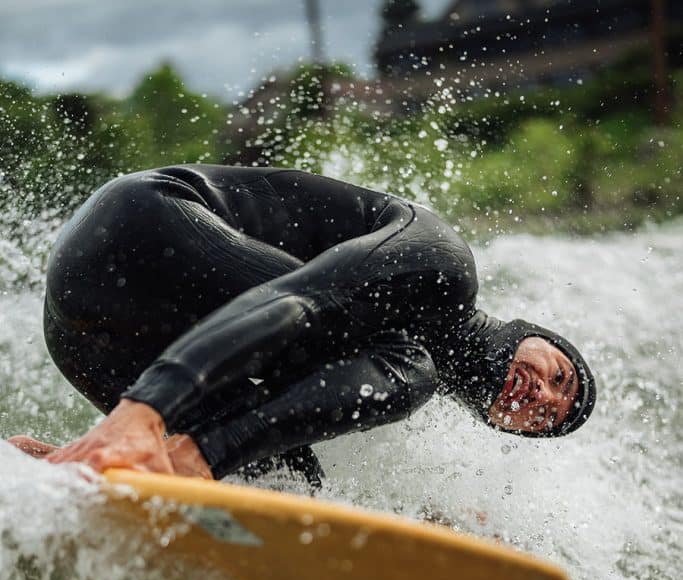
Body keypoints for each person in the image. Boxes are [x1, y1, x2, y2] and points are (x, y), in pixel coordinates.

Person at [8, 165, 596, 487]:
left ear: (500, 424)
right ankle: (158, 442)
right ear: (535, 334)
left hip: (86, 332)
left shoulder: (393, 363)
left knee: (287, 486)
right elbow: (300, 300)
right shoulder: (445, 268)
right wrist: (145, 411)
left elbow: (286, 407)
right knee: (408, 368)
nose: (540, 396)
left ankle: (58, 471)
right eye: (560, 378)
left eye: (543, 419)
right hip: (144, 228)